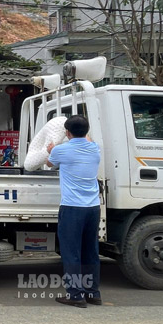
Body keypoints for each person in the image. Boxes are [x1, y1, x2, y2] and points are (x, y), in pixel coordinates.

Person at [47, 115, 102, 308]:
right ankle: (93, 293)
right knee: (91, 251)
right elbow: (88, 139)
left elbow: (49, 163)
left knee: (71, 253)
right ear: (87, 131)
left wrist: (51, 150)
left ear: (67, 132)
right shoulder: (95, 149)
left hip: (72, 208)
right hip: (93, 208)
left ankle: (76, 295)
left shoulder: (61, 150)